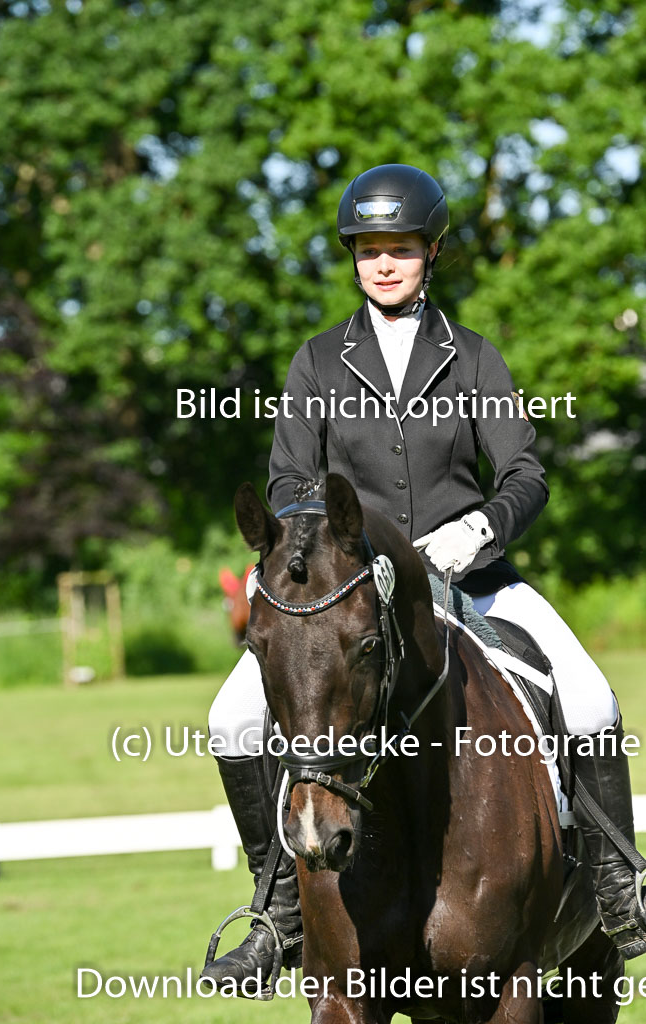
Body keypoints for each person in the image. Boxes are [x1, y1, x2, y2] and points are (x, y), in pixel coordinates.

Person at [204, 164, 646, 987]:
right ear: (353, 256)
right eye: (368, 249)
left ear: (431, 252)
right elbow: (287, 482)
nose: (383, 264)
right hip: (350, 593)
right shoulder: (316, 363)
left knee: (589, 698)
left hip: (471, 579)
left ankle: (619, 888)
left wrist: (477, 529)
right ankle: (278, 913)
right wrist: (337, 547)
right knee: (229, 720)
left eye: (400, 248)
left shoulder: (471, 357)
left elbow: (524, 473)